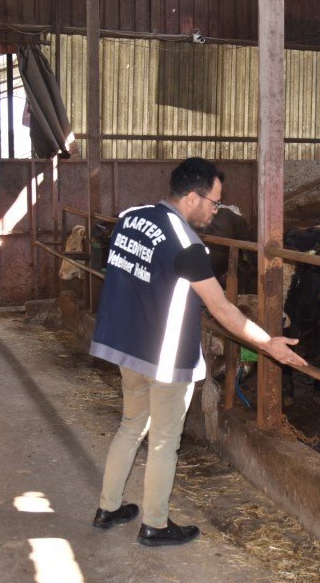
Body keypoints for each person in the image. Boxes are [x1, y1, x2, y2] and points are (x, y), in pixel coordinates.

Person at [90, 157, 306, 546]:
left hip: (127, 347)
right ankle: (154, 524)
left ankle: (108, 507)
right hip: (166, 355)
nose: (215, 210)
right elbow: (222, 309)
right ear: (192, 197)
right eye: (214, 202)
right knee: (163, 441)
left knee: (130, 425)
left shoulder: (130, 218)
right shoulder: (188, 244)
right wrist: (268, 344)